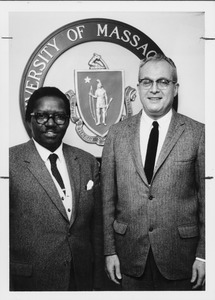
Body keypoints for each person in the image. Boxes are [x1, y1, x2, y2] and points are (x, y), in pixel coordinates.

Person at [101, 54, 205, 291]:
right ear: (138, 87)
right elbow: (107, 200)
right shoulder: (116, 134)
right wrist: (109, 251)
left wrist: (204, 255)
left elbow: (209, 201)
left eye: (163, 82)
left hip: (182, 260)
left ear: (175, 88)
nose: (154, 89)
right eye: (147, 82)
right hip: (128, 259)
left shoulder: (198, 134)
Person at [10, 86, 103, 291]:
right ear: (29, 119)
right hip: (29, 282)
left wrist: (98, 282)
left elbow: (97, 229)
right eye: (42, 116)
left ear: (68, 121)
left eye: (59, 116)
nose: (51, 123)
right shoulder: (9, 162)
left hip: (81, 280)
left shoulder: (87, 162)